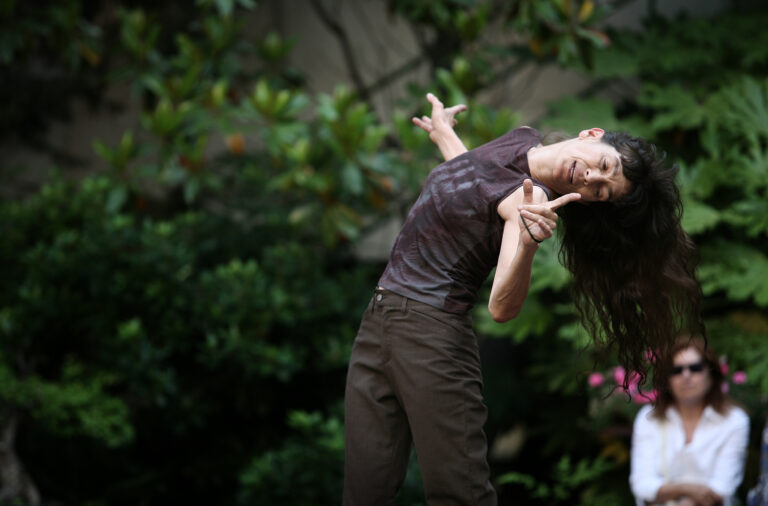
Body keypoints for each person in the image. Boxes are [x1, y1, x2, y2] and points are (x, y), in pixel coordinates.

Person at [343, 93, 702, 505]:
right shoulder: (521, 140)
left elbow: (501, 308)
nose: (591, 179)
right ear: (593, 135)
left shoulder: (530, 203)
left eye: (601, 191)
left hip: (431, 334)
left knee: (460, 492)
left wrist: (529, 243)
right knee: (364, 490)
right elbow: (473, 181)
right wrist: (444, 136)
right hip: (380, 319)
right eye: (604, 166)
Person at [629, 336, 750, 506]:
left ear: (711, 373)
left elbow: (722, 488)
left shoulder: (734, 421)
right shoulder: (649, 417)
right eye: (676, 370)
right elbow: (642, 485)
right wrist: (686, 489)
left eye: (696, 368)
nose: (686, 375)